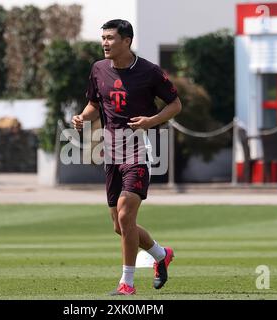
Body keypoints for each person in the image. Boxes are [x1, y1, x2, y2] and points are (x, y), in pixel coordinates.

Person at [72, 19, 182, 295]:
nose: (105, 43)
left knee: (125, 214)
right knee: (120, 225)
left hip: (138, 150)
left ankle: (127, 283)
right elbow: (94, 104)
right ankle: (160, 254)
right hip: (111, 152)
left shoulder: (149, 72)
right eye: (103, 38)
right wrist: (83, 117)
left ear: (127, 41)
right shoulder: (98, 69)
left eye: (110, 38)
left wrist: (151, 120)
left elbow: (175, 104)